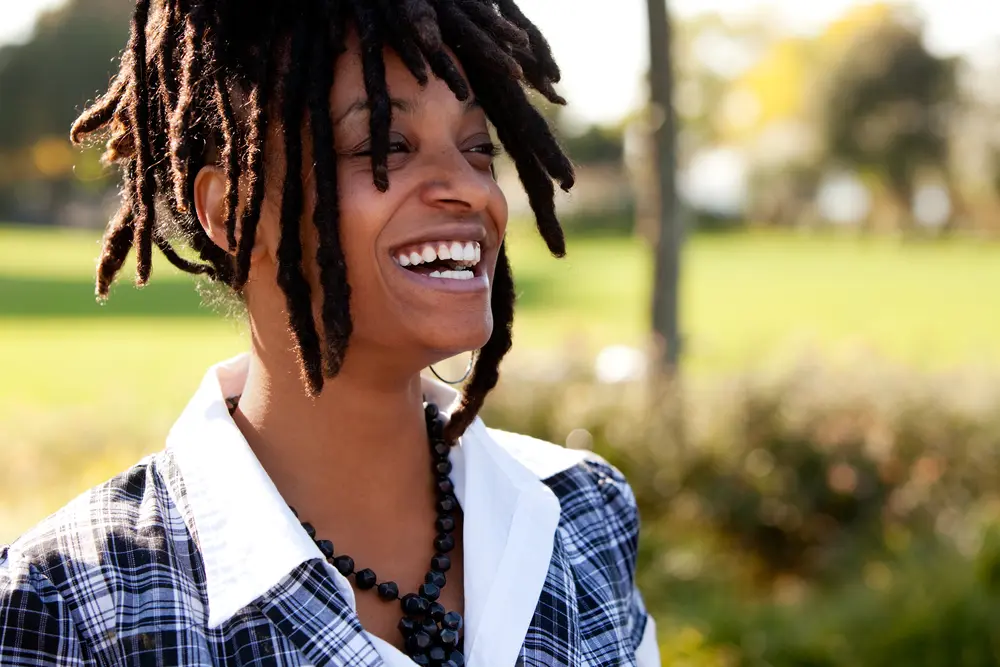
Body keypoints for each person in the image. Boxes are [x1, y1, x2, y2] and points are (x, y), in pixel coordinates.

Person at [0, 0, 660, 665]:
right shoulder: (73, 605)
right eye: (384, 146)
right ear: (232, 211)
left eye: (477, 147)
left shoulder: (583, 512)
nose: (467, 189)